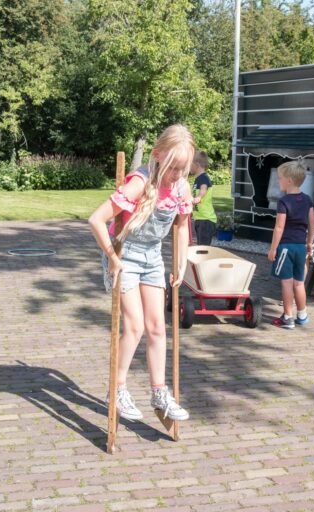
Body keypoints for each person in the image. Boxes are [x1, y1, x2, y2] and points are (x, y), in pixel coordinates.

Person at [88, 124, 194, 422]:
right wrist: (111, 257)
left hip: (153, 258)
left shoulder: (181, 187)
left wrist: (181, 261)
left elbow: (183, 225)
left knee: (157, 327)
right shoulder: (140, 182)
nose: (176, 175)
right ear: (157, 156)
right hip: (125, 255)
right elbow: (96, 220)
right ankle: (117, 389)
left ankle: (159, 391)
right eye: (173, 167)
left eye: (183, 169)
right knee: (134, 326)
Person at [267, 161, 314, 329]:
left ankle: (288, 317)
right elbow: (312, 224)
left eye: (279, 178)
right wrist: (309, 242)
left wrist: (273, 248)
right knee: (299, 283)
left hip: (285, 247)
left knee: (287, 283)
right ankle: (302, 315)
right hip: (301, 247)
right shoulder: (308, 200)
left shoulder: (284, 201)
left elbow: (279, 227)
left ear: (288, 180)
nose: (278, 181)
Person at [191, 150, 217, 245]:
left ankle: (204, 260)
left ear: (196, 164)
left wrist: (199, 197)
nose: (189, 167)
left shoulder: (203, 178)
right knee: (200, 246)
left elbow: (204, 188)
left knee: (203, 248)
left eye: (190, 164)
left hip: (206, 220)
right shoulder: (197, 179)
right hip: (200, 218)